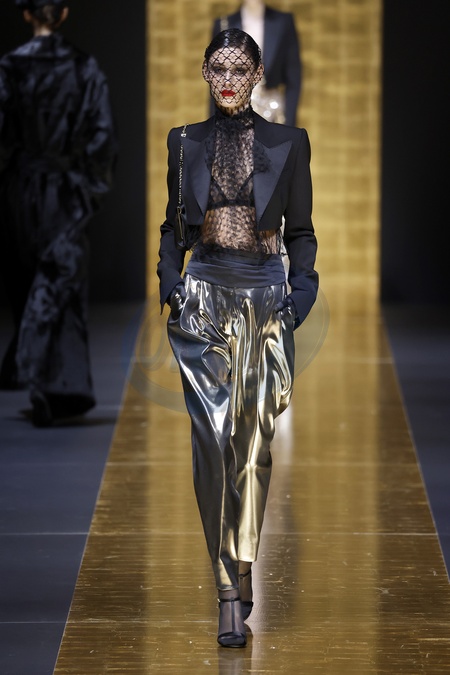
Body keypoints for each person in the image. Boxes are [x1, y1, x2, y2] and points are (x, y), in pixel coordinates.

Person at [157, 29, 318, 647]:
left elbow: (300, 230)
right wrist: (172, 285)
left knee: (251, 446)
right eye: (218, 69)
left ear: (256, 75)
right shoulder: (183, 141)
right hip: (202, 298)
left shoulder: (289, 142)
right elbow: (172, 227)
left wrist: (300, 295)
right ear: (205, 72)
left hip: (264, 301)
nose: (228, 80)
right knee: (210, 440)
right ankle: (228, 589)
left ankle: (241, 562)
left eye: (239, 70)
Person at [0, 0, 117, 426]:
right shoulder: (84, 68)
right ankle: (59, 390)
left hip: (21, 191)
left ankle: (39, 383)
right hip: (66, 191)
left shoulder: (10, 68)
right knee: (61, 283)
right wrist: (88, 191)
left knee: (32, 280)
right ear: (64, 13)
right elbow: (102, 137)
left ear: (26, 14)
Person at [211, 0, 302, 125]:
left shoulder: (283, 22)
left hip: (273, 113)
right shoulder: (224, 24)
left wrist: (290, 124)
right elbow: (215, 81)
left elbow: (294, 77)